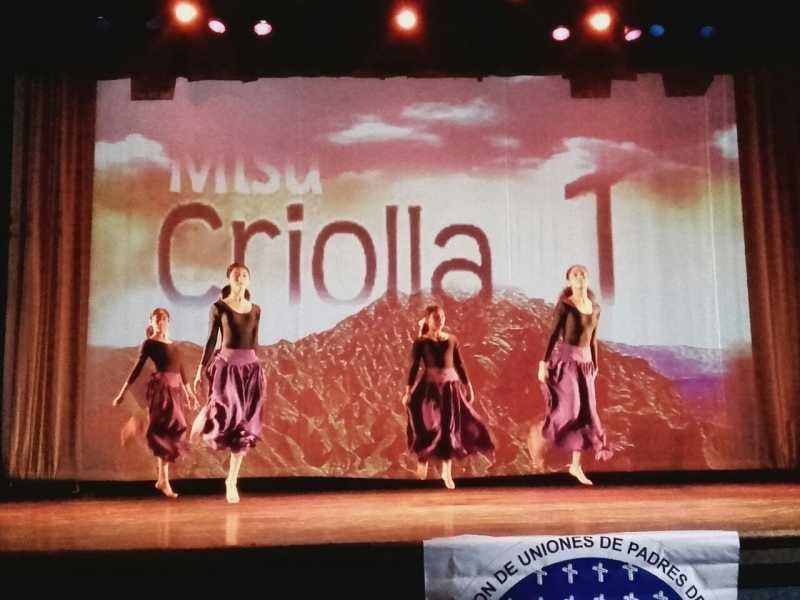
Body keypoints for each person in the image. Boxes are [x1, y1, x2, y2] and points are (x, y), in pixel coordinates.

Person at [192, 263, 265, 504]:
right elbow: (211, 339)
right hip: (227, 367)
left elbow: (254, 342)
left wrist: (257, 369)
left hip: (250, 370)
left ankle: (231, 480)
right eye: (236, 276)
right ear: (229, 280)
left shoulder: (255, 310)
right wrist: (201, 368)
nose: (240, 279)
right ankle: (207, 413)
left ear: (249, 280)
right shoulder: (219, 308)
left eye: (244, 275)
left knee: (242, 429)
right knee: (224, 415)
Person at [535, 264, 612, 485]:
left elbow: (593, 339)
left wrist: (595, 365)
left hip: (586, 364)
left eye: (583, 274)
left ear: (587, 279)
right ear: (569, 280)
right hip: (567, 361)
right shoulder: (565, 306)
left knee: (586, 414)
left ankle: (575, 466)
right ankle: (547, 429)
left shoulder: (595, 308)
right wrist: (543, 363)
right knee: (573, 407)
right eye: (575, 274)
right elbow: (553, 335)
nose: (580, 277)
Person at [402, 304, 494, 489]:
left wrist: (468, 386)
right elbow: (413, 368)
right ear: (427, 320)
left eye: (442, 317)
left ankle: (447, 472)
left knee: (448, 429)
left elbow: (459, 364)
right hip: (429, 390)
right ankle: (422, 463)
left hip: (450, 390)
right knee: (427, 427)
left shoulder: (452, 340)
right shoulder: (421, 342)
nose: (440, 320)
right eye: (436, 317)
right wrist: (408, 391)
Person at [112, 308, 197, 498]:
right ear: (151, 322)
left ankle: (138, 425)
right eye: (157, 319)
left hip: (175, 390)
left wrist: (190, 393)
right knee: (163, 430)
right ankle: (163, 479)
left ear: (168, 321)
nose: (161, 322)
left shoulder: (174, 346)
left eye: (164, 319)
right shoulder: (149, 343)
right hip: (161, 389)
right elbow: (136, 369)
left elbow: (181, 371)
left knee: (176, 428)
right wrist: (122, 393)